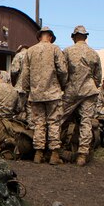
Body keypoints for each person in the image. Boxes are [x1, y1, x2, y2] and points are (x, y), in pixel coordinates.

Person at [20, 26, 68, 164]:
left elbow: (25, 74)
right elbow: (63, 70)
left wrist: (27, 89)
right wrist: (62, 85)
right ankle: (54, 154)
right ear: (51, 37)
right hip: (53, 93)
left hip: (36, 94)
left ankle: (38, 153)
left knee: (39, 123)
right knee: (53, 122)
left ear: (39, 36)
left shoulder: (30, 51)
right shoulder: (55, 49)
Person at [61, 25, 102, 166]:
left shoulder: (67, 51)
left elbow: (62, 72)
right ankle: (82, 155)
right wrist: (91, 84)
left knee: (59, 117)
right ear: (86, 37)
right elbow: (98, 77)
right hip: (89, 90)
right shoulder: (94, 53)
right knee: (86, 122)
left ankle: (53, 148)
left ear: (73, 37)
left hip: (72, 90)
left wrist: (65, 86)